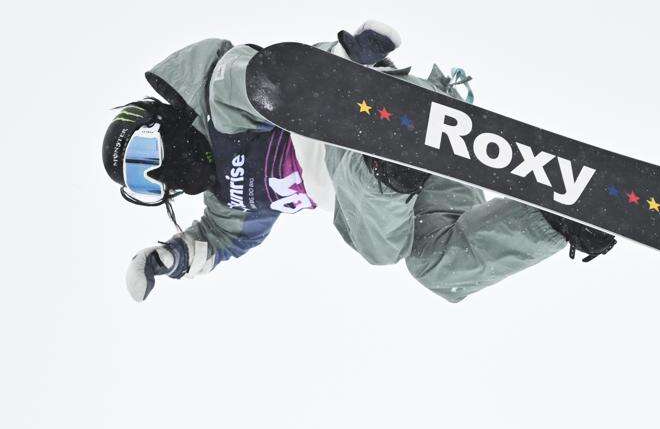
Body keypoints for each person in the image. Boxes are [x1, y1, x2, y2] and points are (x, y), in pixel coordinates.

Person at [102, 21, 616, 303]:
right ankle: (559, 219)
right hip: (405, 182)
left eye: (146, 158)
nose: (161, 177)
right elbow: (221, 239)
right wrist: (168, 259)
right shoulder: (230, 199)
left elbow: (268, 76)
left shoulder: (221, 103)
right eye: (144, 185)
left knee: (376, 240)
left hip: (374, 119)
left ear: (162, 122)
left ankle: (386, 162)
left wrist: (346, 58)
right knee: (435, 268)